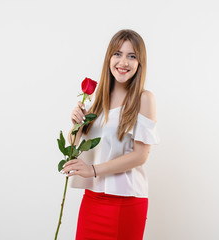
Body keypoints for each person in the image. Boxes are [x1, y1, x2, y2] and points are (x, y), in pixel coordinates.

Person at [62, 29, 159, 240]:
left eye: (131, 56)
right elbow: (74, 146)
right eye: (118, 54)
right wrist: (75, 125)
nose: (123, 62)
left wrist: (92, 170)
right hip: (93, 199)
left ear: (139, 63)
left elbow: (140, 155)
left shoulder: (144, 99)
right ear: (109, 58)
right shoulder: (96, 100)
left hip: (126, 201)